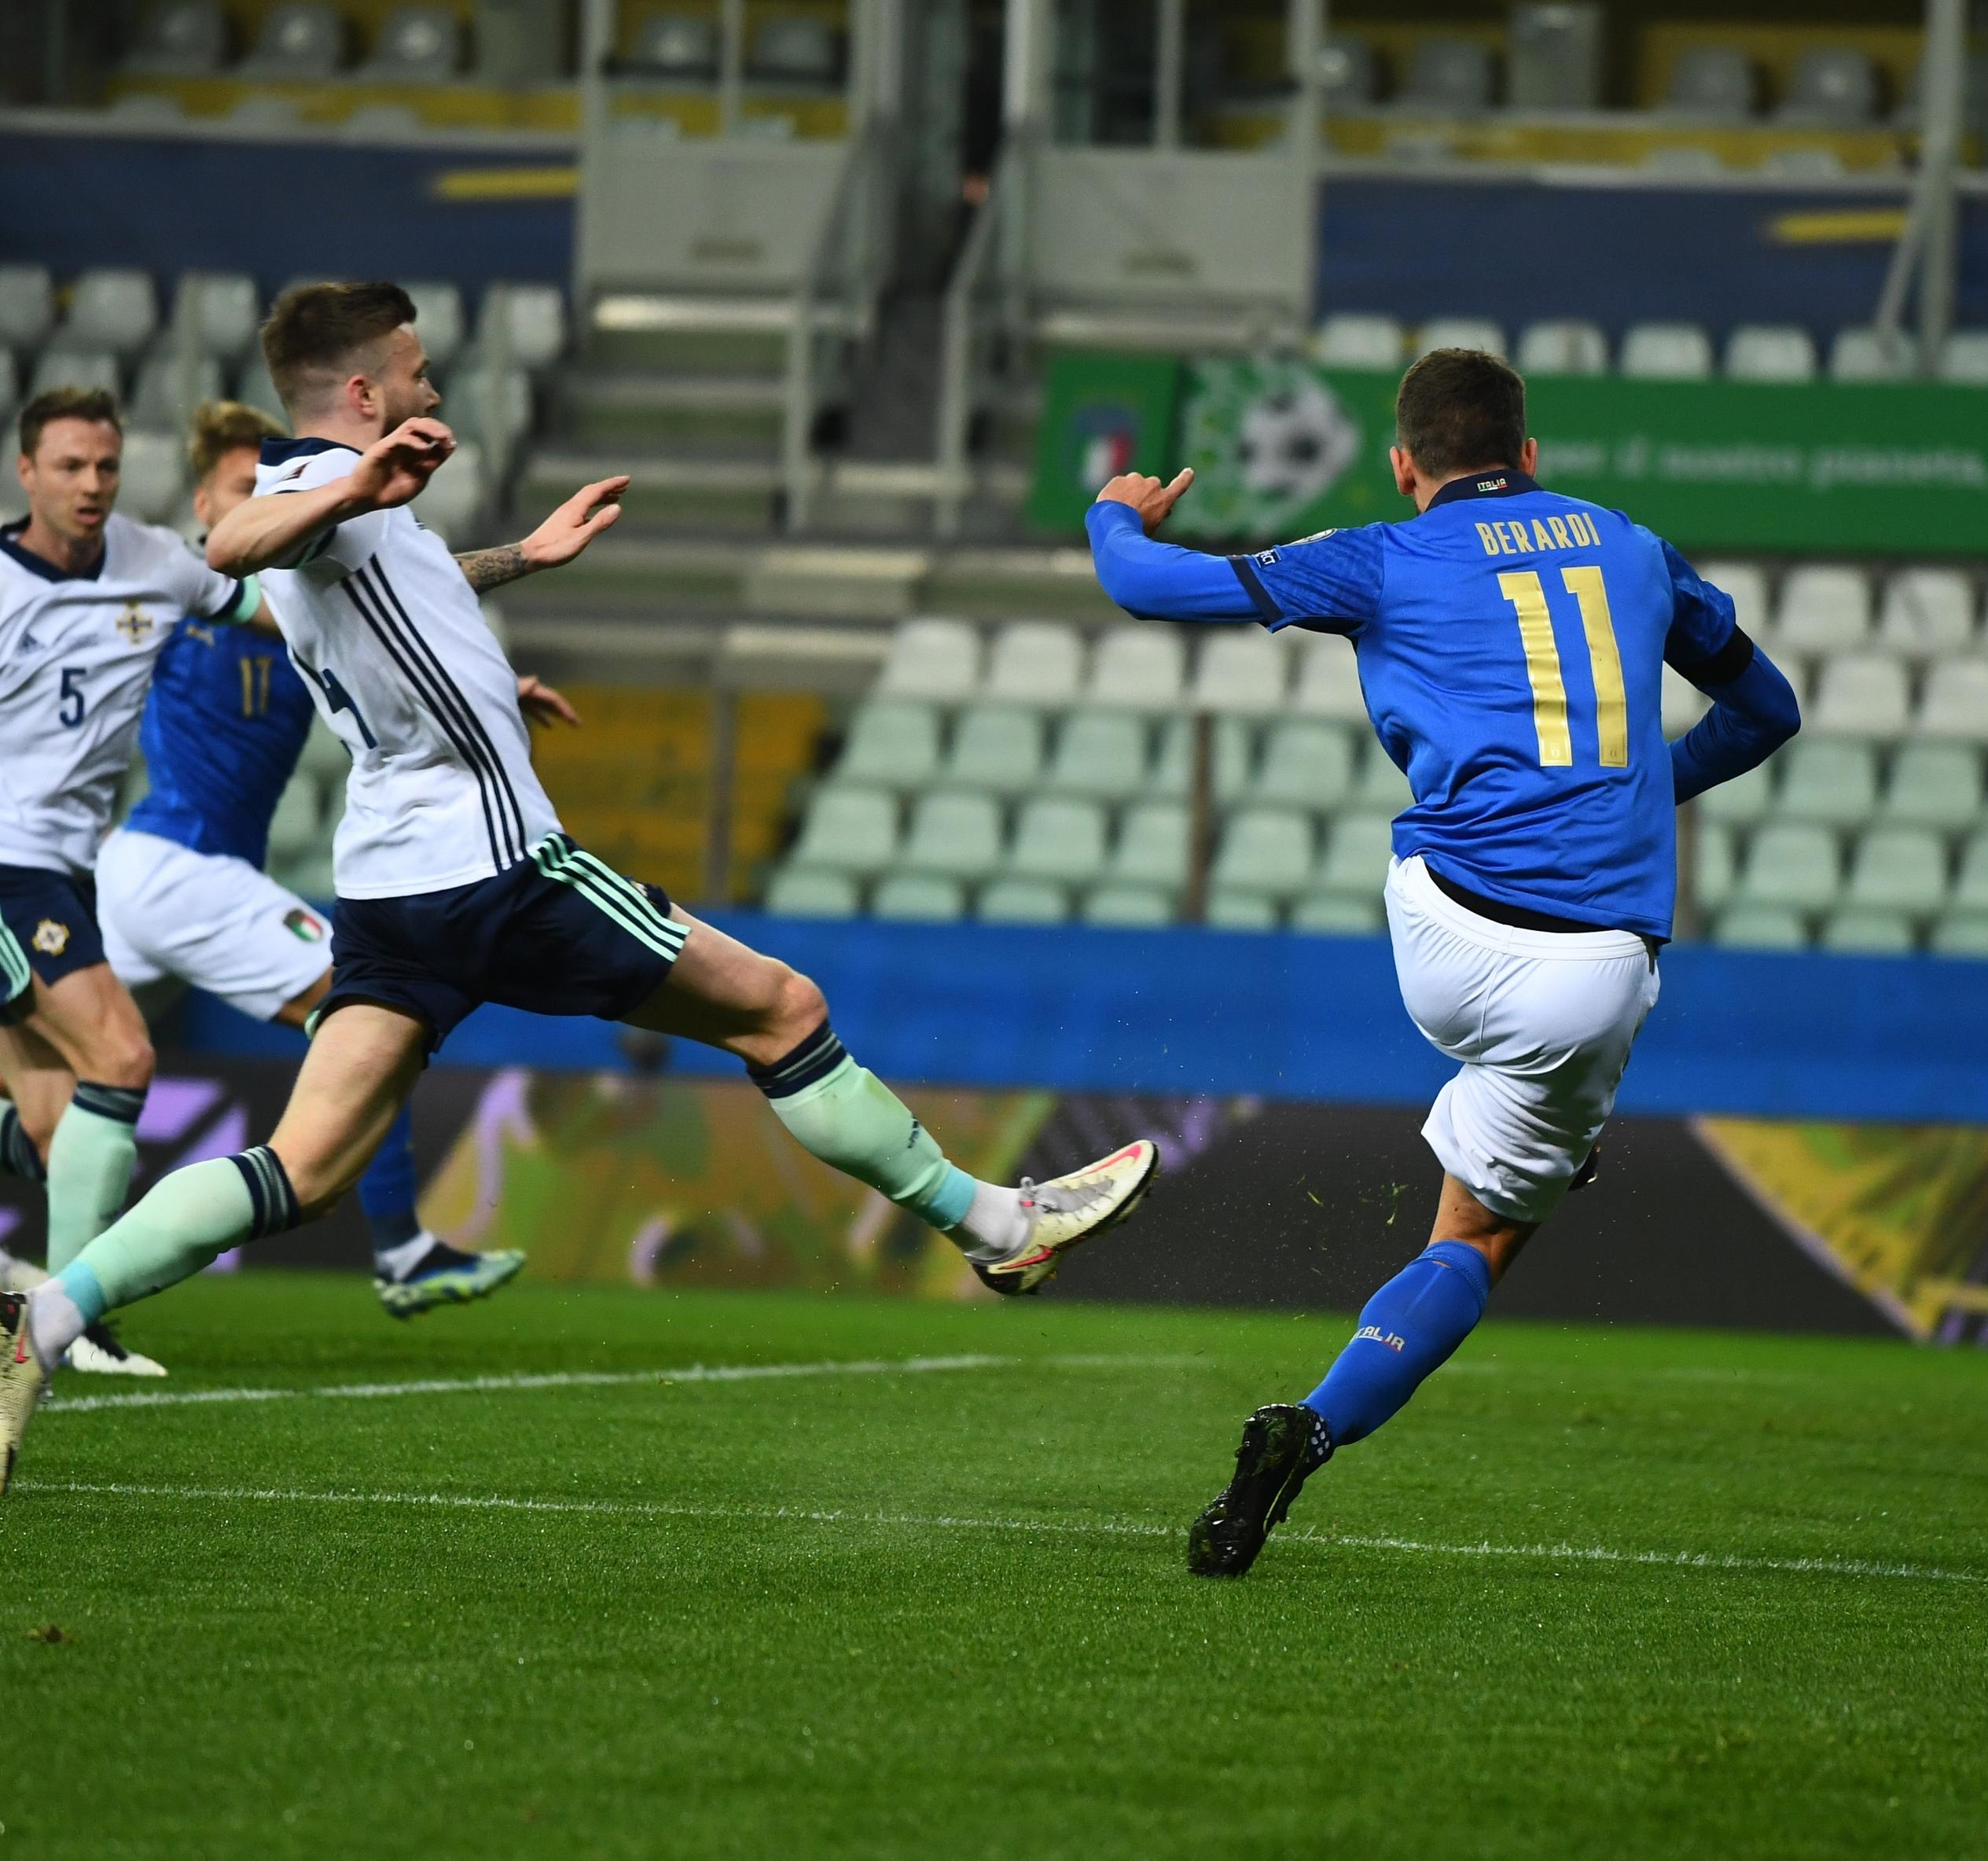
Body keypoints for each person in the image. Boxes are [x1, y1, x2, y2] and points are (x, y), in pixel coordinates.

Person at [0, 283, 1159, 1490]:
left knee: (300, 1167)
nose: (431, 386)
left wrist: (524, 556)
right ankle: (1000, 1230)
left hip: (394, 890)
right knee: (782, 1009)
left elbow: (384, 572)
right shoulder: (308, 486)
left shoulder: (359, 512)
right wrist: (357, 481)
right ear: (360, 392)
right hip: (496, 867)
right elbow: (235, 539)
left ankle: (53, 1314)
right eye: (414, 368)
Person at [1085, 348, 1802, 1576]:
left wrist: (1114, 512)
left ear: (1406, 464)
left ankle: (1516, 1121)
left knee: (1491, 1070)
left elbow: (1147, 586)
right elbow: (1765, 710)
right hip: (1584, 975)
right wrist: (1636, 790)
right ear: (1530, 455)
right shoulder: (1629, 547)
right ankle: (1308, 1423)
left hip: (1436, 923)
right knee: (1472, 1241)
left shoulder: (1378, 550)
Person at [95, 401, 525, 1321]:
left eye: (268, 485)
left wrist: (496, 677)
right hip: (178, 865)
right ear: (207, 499)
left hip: (154, 877)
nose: (262, 500)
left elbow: (403, 599)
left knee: (60, 1079)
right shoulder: (179, 587)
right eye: (243, 490)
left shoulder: (289, 594)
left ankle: (64, 1292)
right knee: (364, 1007)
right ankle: (403, 1251)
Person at [0, 384, 270, 1374]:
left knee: (46, 1121)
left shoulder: (159, 563)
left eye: (106, 466)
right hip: (6, 870)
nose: (91, 485)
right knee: (121, 1059)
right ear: (26, 471)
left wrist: (458, 667)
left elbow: (281, 616)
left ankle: (45, 1312)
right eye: (69, 466)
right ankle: (68, 1325)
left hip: (70, 870)